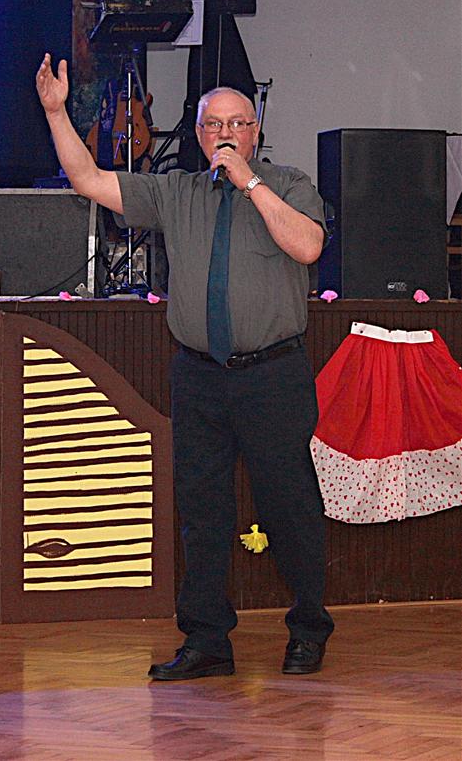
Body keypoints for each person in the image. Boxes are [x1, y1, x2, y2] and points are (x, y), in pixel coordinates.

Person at [36, 53, 334, 679]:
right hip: (199, 376)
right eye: (213, 124)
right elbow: (89, 179)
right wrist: (57, 112)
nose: (225, 133)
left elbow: (308, 245)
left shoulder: (288, 184)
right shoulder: (176, 191)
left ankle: (309, 629)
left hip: (272, 375)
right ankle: (206, 641)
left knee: (290, 506)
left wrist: (249, 183)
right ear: (198, 134)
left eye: (237, 123)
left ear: (255, 131)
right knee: (202, 510)